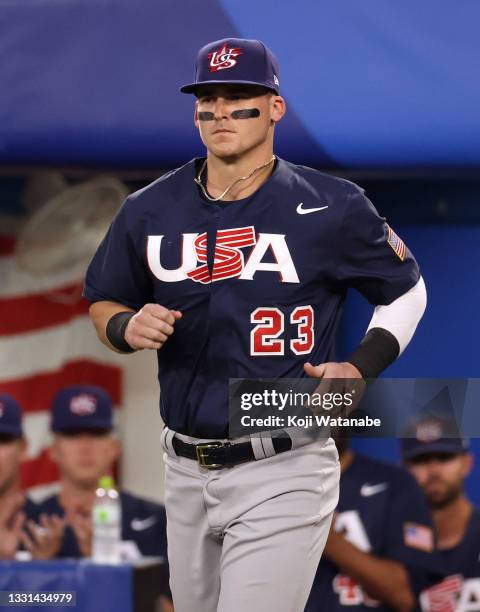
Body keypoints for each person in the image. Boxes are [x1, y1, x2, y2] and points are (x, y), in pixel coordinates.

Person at [84, 38, 427, 612]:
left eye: (239, 95)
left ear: (275, 106)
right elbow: (103, 300)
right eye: (207, 98)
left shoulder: (331, 204)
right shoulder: (149, 207)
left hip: (284, 460)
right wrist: (124, 325)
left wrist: (361, 365)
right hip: (186, 465)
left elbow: (407, 290)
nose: (220, 110)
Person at [36, 385, 172, 610]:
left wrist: (108, 566)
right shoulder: (31, 522)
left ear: (114, 447)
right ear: (53, 449)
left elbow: (174, 606)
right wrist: (40, 568)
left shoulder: (155, 520)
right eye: (72, 435)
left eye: (96, 434)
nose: (85, 447)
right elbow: (12, 601)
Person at [305, 431, 441, 612]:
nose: (328, 421)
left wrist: (328, 537)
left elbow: (407, 596)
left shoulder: (395, 483)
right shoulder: (272, 489)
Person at [402, 418, 480, 611]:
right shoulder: (391, 544)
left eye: (445, 457)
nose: (434, 470)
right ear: (404, 469)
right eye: (421, 460)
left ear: (467, 463)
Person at [0, 393, 65, 560]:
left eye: (2, 440)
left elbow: (76, 587)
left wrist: (42, 569)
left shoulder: (52, 528)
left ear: (23, 448)